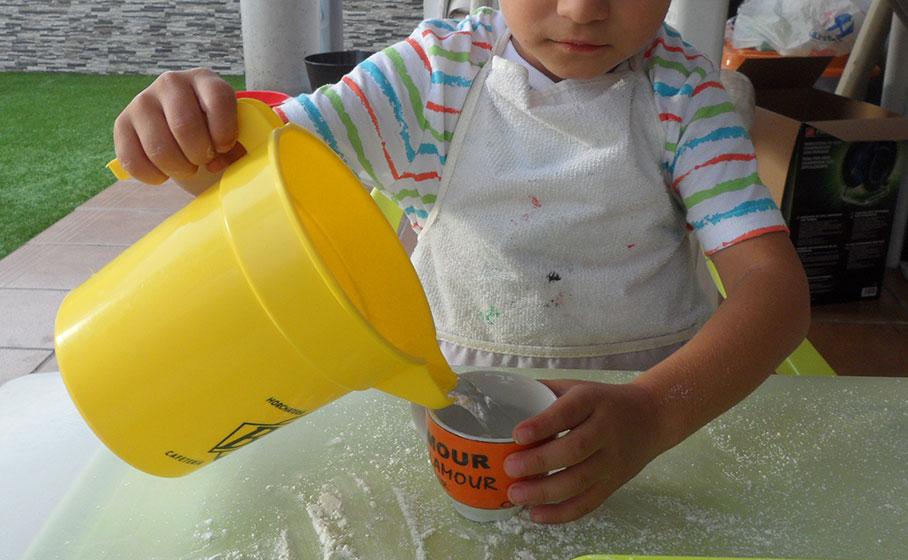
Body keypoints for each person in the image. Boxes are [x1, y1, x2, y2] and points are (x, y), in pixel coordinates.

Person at [113, 1, 810, 524]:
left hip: (652, 424)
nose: (582, 9)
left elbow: (774, 288)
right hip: (456, 416)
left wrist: (655, 414)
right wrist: (191, 134)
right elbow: (258, 174)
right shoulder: (431, 78)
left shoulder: (689, 96)